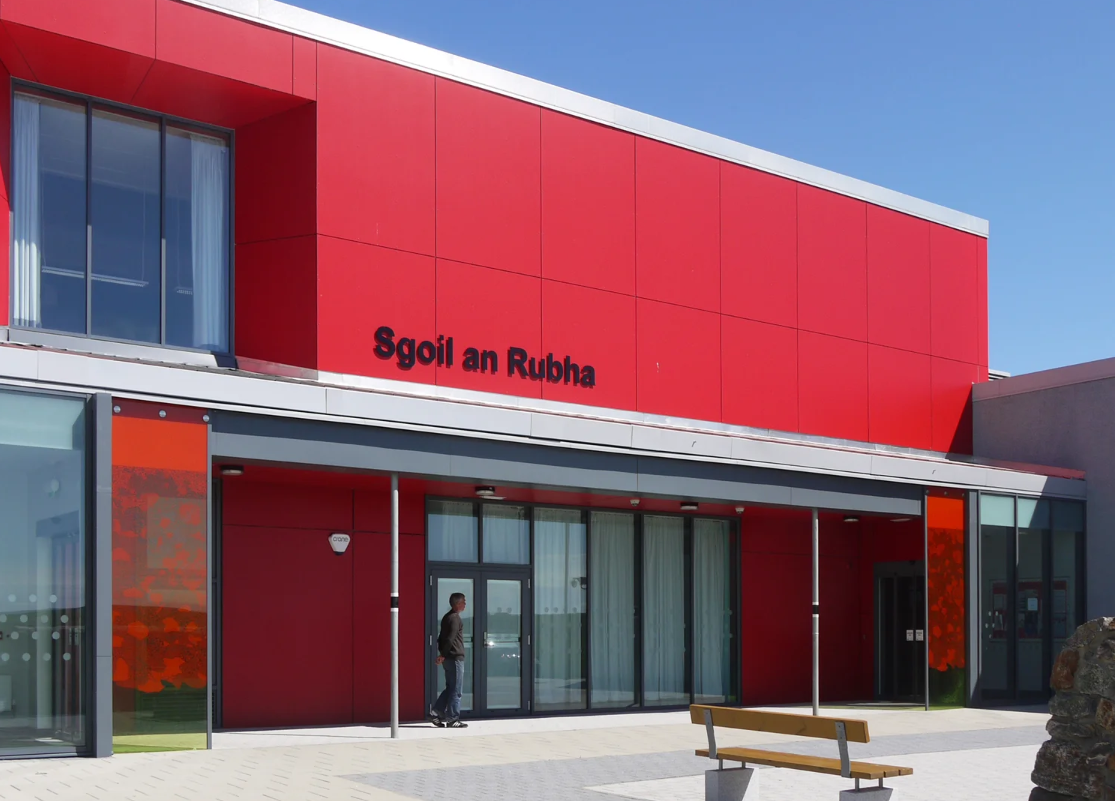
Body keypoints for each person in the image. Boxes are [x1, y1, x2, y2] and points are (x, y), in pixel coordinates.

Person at [430, 592, 468, 728]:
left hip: (449, 658)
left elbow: (441, 638)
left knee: (451, 688)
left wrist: (442, 655)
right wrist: (443, 655)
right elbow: (450, 639)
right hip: (455, 658)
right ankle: (453, 719)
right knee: (456, 690)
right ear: (457, 604)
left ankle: (436, 712)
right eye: (464, 601)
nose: (465, 604)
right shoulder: (455, 618)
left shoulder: (447, 617)